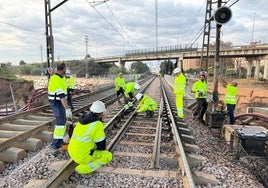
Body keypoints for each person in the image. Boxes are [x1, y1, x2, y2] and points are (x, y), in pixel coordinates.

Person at [68, 100, 112, 177]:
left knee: (92, 144)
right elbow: (101, 143)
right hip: (82, 156)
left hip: (72, 151)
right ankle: (82, 169)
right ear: (101, 113)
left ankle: (86, 158)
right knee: (107, 156)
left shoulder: (81, 120)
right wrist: (101, 153)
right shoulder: (97, 124)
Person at [48, 62, 72, 153]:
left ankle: (59, 141)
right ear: (64, 68)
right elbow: (61, 96)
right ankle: (55, 145)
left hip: (58, 102)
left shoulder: (59, 78)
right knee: (60, 123)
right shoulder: (57, 79)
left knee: (62, 122)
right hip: (57, 103)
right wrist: (67, 109)